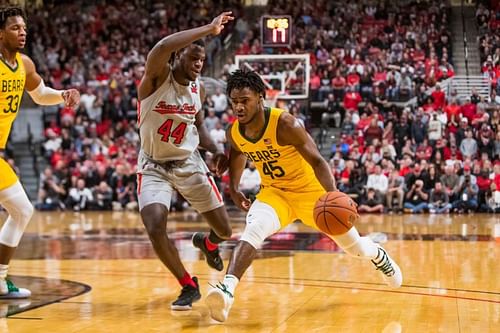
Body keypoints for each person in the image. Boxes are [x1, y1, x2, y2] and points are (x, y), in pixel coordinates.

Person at [205, 69, 402, 322]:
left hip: (312, 195)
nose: (239, 107)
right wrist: (233, 188)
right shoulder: (235, 131)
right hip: (274, 194)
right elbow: (239, 152)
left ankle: (377, 254)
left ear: (261, 98)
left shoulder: (286, 124)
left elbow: (319, 162)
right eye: (234, 102)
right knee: (252, 231)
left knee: (356, 250)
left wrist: (332, 196)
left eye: (245, 100)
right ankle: (226, 291)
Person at [136, 12, 234, 310]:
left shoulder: (199, 88)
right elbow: (163, 45)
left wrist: (215, 149)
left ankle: (208, 244)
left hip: (188, 162)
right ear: (178, 57)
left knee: (225, 231)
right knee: (154, 227)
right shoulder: (155, 79)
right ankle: (187, 285)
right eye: (192, 59)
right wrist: (208, 28)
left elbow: (198, 124)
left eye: (201, 61)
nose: (197, 66)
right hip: (153, 165)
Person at [0, 6, 79, 298]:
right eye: (14, 28)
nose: (22, 32)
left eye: (23, 28)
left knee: (22, 210)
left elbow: (40, 93)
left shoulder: (24, 65)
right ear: (0, 33)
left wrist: (63, 96)